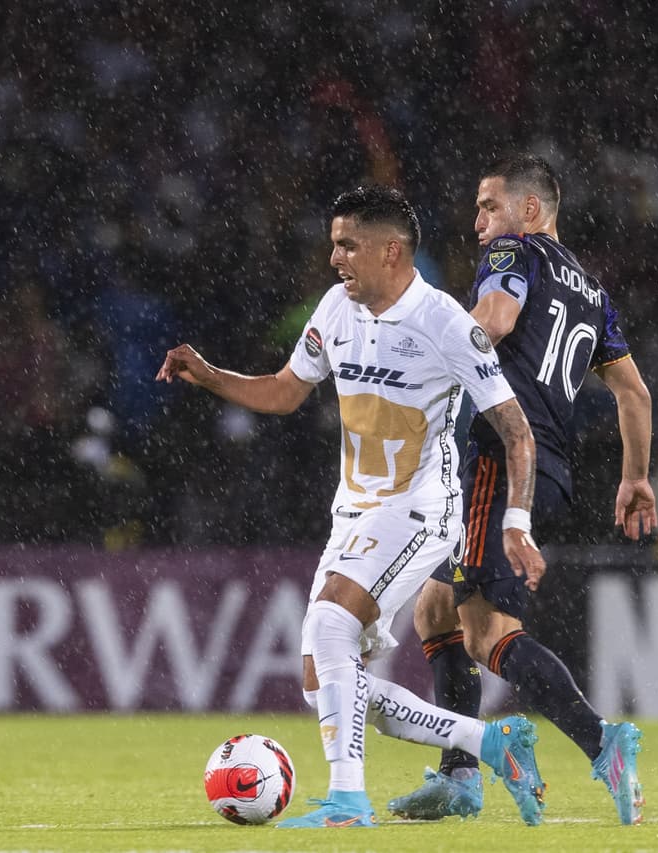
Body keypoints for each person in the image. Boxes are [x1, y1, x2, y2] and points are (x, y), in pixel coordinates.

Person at [157, 185, 549, 828]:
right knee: (329, 683)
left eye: (347, 245)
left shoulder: (446, 322)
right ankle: (490, 743)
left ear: (391, 251)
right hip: (355, 512)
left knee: (331, 628)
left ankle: (347, 802)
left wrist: (517, 521)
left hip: (422, 508)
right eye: (333, 243)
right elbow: (285, 392)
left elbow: (515, 429)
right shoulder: (337, 308)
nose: (334, 256)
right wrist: (208, 374)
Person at [387, 154, 658, 826]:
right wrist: (634, 476)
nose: (479, 223)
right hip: (551, 467)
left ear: (530, 210)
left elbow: (496, 321)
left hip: (498, 452)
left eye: (488, 206)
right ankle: (458, 775)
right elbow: (635, 393)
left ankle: (601, 741)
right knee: (435, 611)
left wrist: (424, 351)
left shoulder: (517, 250)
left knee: (484, 634)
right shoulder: (593, 292)